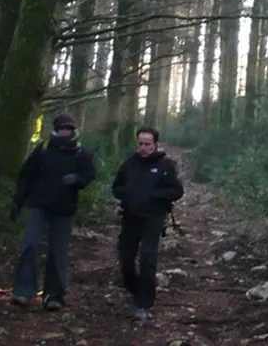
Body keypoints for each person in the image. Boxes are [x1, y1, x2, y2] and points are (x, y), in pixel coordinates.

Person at [10, 111, 96, 310]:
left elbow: (89, 174)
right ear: (56, 129)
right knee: (30, 245)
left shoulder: (81, 152)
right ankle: (23, 291)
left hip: (64, 209)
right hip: (39, 205)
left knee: (58, 252)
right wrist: (17, 202)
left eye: (69, 128)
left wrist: (78, 179)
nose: (66, 132)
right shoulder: (43, 149)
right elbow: (26, 176)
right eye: (62, 128)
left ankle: (54, 296)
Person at [111, 126, 184, 323]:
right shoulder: (129, 164)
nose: (143, 148)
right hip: (130, 217)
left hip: (153, 218)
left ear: (155, 145)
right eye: (140, 144)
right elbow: (116, 188)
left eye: (147, 144)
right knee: (126, 257)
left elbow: (177, 191)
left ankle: (144, 303)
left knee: (147, 258)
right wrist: (127, 193)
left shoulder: (165, 165)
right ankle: (134, 288)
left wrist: (154, 195)